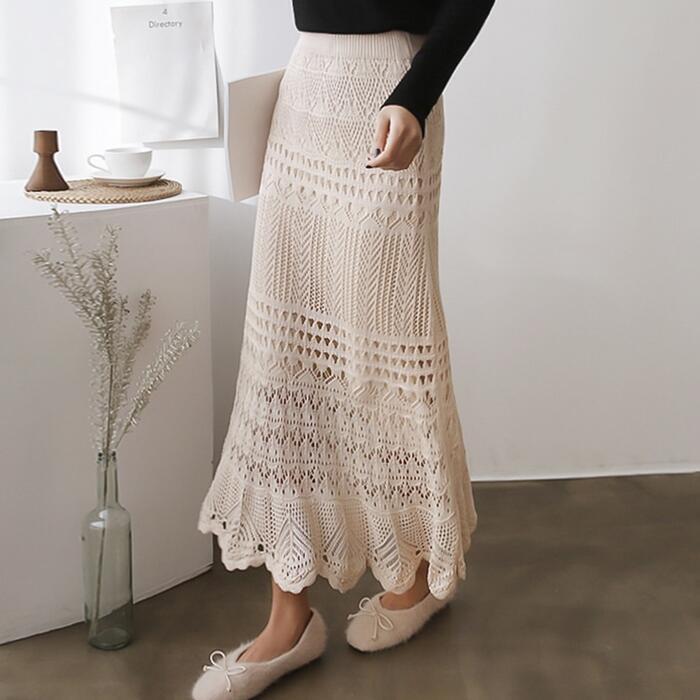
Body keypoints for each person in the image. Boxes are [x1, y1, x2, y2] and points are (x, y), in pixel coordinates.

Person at [193, 1, 496, 698]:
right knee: (283, 351)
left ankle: (416, 573)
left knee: (383, 348)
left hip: (393, 96)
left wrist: (416, 95)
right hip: (306, 92)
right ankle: (289, 617)